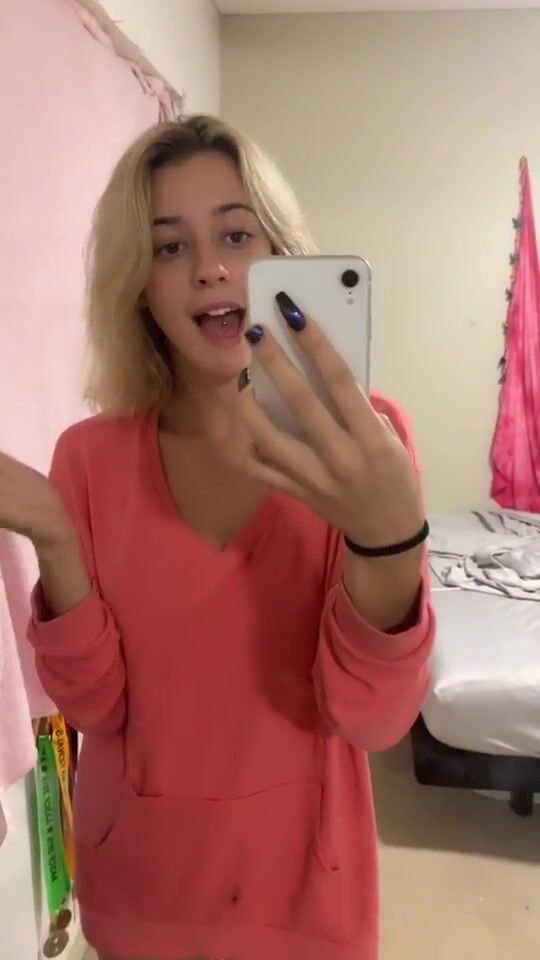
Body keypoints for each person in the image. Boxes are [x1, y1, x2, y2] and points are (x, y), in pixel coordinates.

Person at [0, 115, 435, 960]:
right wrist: (54, 537)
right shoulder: (89, 458)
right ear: (140, 285)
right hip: (140, 898)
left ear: (280, 253)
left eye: (236, 234)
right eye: (170, 247)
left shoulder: (365, 447)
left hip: (309, 902)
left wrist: (389, 543)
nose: (208, 268)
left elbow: (373, 718)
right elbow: (95, 710)